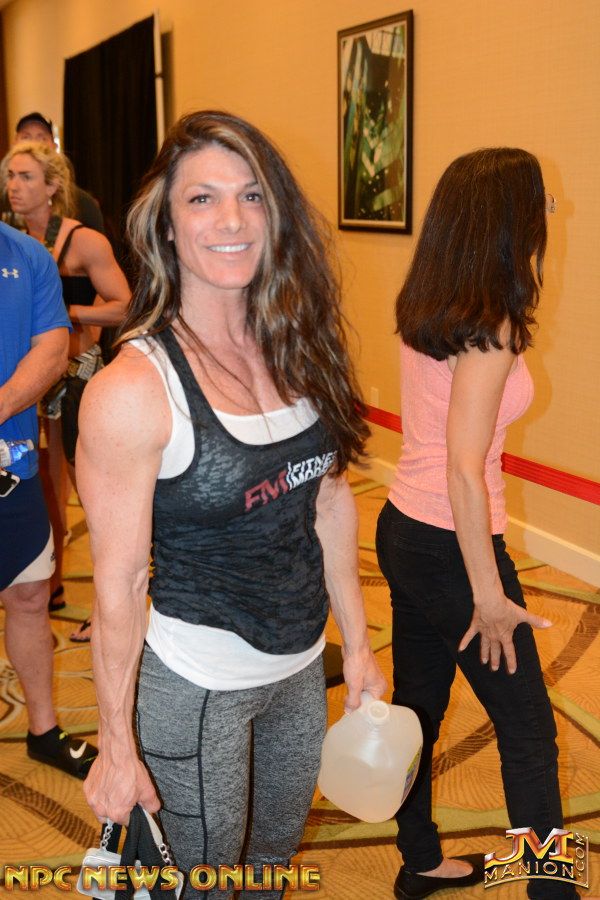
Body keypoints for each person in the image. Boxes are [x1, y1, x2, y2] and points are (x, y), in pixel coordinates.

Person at [78, 110, 386, 898]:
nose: (232, 220)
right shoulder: (132, 390)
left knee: (271, 870)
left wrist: (357, 645)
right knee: (205, 886)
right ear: (166, 224)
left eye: (251, 196)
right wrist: (116, 745)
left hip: (301, 668)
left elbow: (328, 502)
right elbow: (118, 585)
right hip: (197, 683)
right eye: (202, 199)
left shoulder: (301, 346)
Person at [376, 148, 574, 900]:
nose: (550, 212)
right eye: (540, 200)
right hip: (452, 545)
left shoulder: (430, 304)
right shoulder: (490, 326)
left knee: (418, 710)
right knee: (528, 730)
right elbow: (463, 469)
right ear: (508, 220)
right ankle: (552, 891)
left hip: (404, 527)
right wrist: (489, 595)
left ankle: (419, 861)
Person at [0, 140, 130, 636]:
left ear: (52, 186)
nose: (14, 186)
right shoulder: (11, 240)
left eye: (26, 176)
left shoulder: (84, 240)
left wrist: (62, 314)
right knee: (44, 491)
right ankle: (47, 583)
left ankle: (107, 605)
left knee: (92, 498)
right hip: (28, 387)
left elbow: (126, 305)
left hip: (76, 379)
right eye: (10, 176)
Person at [0, 219, 98, 778]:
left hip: (12, 464)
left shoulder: (27, 255)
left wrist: (1, 404)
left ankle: (43, 729)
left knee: (31, 594)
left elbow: (53, 347)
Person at [0, 112, 105, 233]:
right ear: (14, 144)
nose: (33, 144)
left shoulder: (82, 204)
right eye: (26, 137)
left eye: (42, 138)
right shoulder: (4, 197)